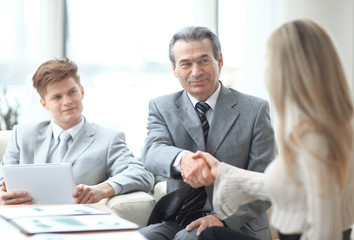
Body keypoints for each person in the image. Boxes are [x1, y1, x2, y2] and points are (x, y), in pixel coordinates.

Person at [195, 19, 354, 240]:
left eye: (270, 60)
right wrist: (220, 171)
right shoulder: (329, 123)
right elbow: (290, 185)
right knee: (212, 235)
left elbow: (325, 228)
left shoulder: (314, 136)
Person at [139, 26, 276, 240]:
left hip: (235, 224)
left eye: (204, 61)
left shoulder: (255, 110)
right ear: (174, 69)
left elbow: (265, 181)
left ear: (219, 62)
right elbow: (152, 151)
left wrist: (221, 218)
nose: (196, 72)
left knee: (189, 238)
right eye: (186, 64)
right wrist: (182, 159)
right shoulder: (161, 107)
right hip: (177, 221)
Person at [0, 57, 154, 205]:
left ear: (82, 92)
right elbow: (2, 180)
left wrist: (101, 190)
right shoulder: (22, 135)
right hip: (26, 218)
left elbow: (142, 174)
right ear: (44, 104)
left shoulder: (109, 139)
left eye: (72, 92)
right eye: (57, 97)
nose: (67, 101)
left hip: (79, 222)